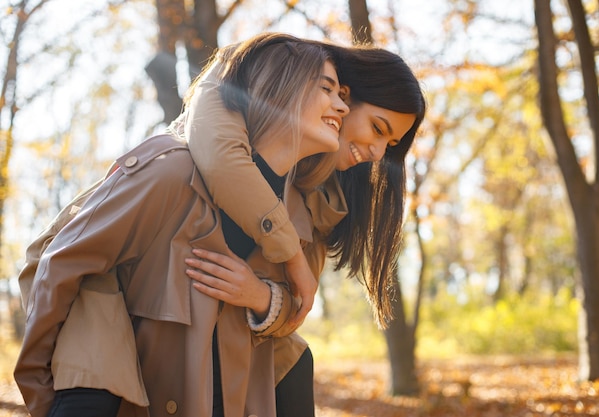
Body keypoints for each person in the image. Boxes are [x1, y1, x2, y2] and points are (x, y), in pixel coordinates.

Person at [14, 32, 349, 417]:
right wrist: (45, 400)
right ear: (278, 87)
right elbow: (58, 264)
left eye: (342, 95)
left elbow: (290, 316)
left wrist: (261, 297)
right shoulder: (171, 172)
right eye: (328, 89)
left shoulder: (296, 220)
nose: (341, 106)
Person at [183, 40, 426, 417]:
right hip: (165, 306)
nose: (379, 153)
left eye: (389, 144)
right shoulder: (242, 72)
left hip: (236, 340)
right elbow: (220, 158)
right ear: (346, 95)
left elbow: (296, 304)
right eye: (378, 129)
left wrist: (260, 297)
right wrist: (292, 255)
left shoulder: (328, 199)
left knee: (295, 359)